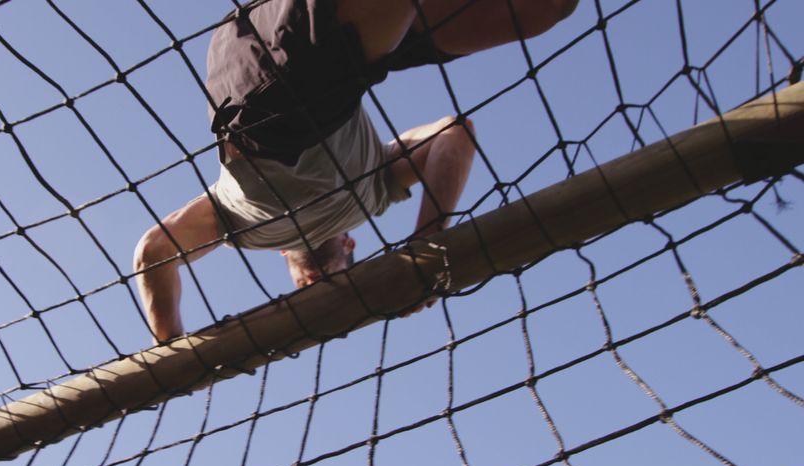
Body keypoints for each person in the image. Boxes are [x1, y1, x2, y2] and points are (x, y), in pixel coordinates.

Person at [134, 0, 579, 342]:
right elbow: (453, 134)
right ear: (350, 243)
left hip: (265, 103)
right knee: (540, 11)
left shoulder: (246, 229)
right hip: (355, 68)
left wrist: (172, 351)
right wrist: (427, 244)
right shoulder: (375, 189)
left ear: (286, 261)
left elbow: (154, 252)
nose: (318, 285)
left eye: (305, 288)